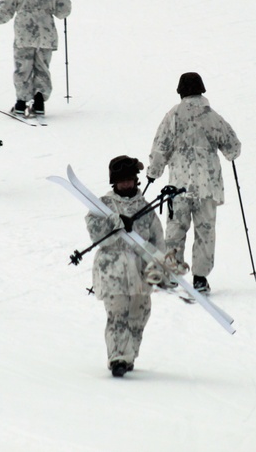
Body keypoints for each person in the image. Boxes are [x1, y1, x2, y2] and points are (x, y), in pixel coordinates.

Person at [145, 73, 241, 294]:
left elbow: (160, 148)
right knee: (205, 231)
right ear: (202, 90)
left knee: (175, 229)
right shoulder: (213, 117)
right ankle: (200, 278)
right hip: (207, 187)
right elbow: (233, 148)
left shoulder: (173, 116)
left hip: (179, 186)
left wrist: (153, 173)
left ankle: (171, 273)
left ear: (180, 91)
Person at [85, 156, 165, 377]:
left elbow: (157, 240)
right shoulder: (102, 205)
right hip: (113, 272)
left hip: (140, 272)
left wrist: (161, 266)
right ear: (114, 182)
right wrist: (114, 222)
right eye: (121, 181)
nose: (126, 184)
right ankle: (117, 357)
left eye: (129, 180)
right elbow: (96, 235)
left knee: (140, 315)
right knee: (117, 316)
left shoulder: (146, 208)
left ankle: (129, 356)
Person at [0, 0, 71, 116]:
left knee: (23, 67)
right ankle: (39, 101)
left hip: (24, 33)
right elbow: (63, 12)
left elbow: (5, 9)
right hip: (46, 34)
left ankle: (21, 103)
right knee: (42, 66)